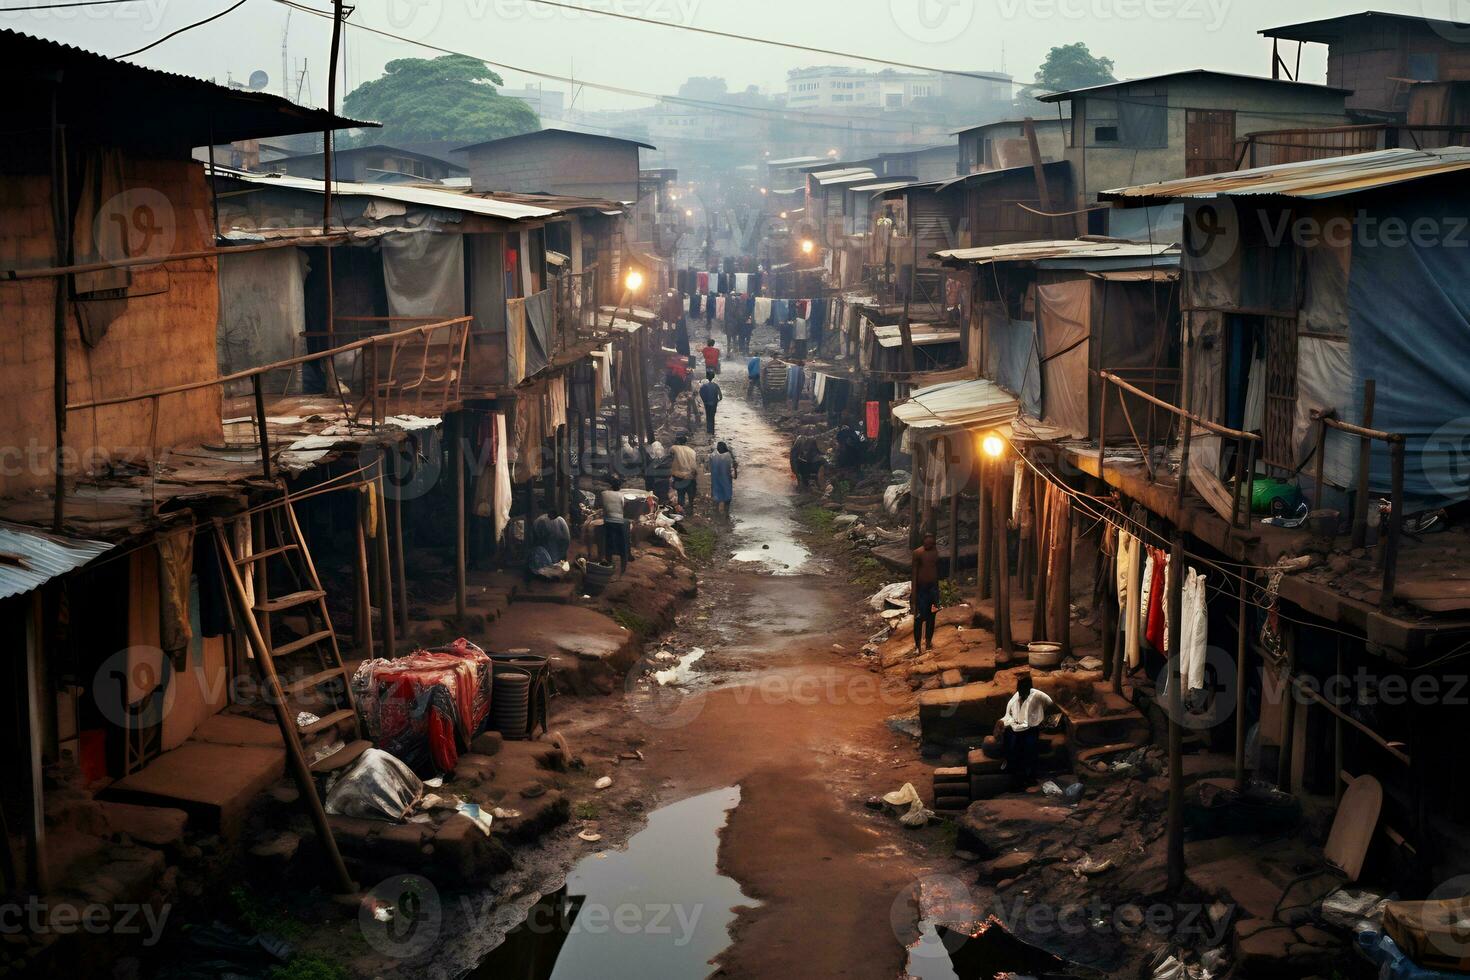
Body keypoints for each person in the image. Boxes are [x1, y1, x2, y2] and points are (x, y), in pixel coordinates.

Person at [996, 673, 1054, 786]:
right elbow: (1009, 715)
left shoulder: (1037, 697)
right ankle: (1015, 773)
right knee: (1012, 743)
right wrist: (1003, 722)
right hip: (1017, 728)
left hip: (1032, 729)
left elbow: (1051, 705)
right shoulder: (1016, 698)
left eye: (1023, 688)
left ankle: (1030, 776)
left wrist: (1042, 718)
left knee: (1030, 747)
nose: (1020, 691)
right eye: (1019, 688)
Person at [911, 531, 940, 653]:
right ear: (923, 541)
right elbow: (914, 574)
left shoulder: (935, 552)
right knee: (919, 618)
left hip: (932, 589)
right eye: (927, 540)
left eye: (931, 540)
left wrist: (937, 592)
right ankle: (918, 646)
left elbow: (935, 570)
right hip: (921, 590)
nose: (929, 543)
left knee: (931, 616)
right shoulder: (918, 553)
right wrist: (914, 596)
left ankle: (928, 642)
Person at [599, 476, 631, 573]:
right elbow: (623, 508)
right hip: (620, 521)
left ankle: (609, 563)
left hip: (608, 521)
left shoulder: (603, 493)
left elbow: (602, 507)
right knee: (624, 542)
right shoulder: (621, 495)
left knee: (608, 544)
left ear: (609, 486)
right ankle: (625, 559)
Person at [670, 434, 698, 514]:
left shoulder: (673, 448)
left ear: (678, 441)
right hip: (690, 476)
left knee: (681, 494)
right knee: (691, 495)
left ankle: (680, 512)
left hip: (679, 476)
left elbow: (670, 458)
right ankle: (690, 510)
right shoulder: (692, 451)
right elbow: (694, 466)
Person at [708, 441, 738, 516]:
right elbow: (734, 476)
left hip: (715, 484)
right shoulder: (729, 458)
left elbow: (708, 468)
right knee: (727, 502)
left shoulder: (712, 456)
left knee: (716, 501)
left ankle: (716, 516)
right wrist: (736, 468)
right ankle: (726, 516)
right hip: (726, 485)